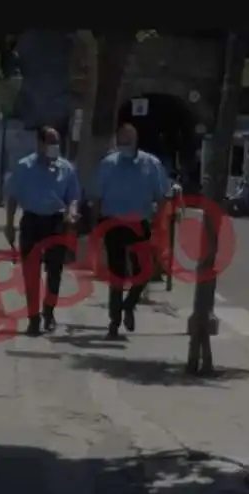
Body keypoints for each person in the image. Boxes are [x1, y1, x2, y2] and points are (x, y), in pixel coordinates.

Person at [91, 123, 170, 340]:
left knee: (144, 271)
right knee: (116, 275)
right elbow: (97, 196)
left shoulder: (150, 164)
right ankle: (114, 323)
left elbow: (163, 196)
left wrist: (157, 223)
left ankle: (129, 305)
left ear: (136, 140)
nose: (124, 144)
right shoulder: (108, 165)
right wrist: (96, 227)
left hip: (139, 224)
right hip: (113, 223)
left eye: (128, 140)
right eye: (121, 140)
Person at [3, 126, 80, 336]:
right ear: (39, 144)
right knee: (31, 272)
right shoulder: (24, 167)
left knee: (55, 271)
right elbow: (12, 197)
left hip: (56, 222)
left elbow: (73, 196)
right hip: (32, 222)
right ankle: (33, 319)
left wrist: (71, 212)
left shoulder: (66, 168)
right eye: (50, 142)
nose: (54, 147)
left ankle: (49, 311)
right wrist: (9, 224)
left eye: (56, 142)